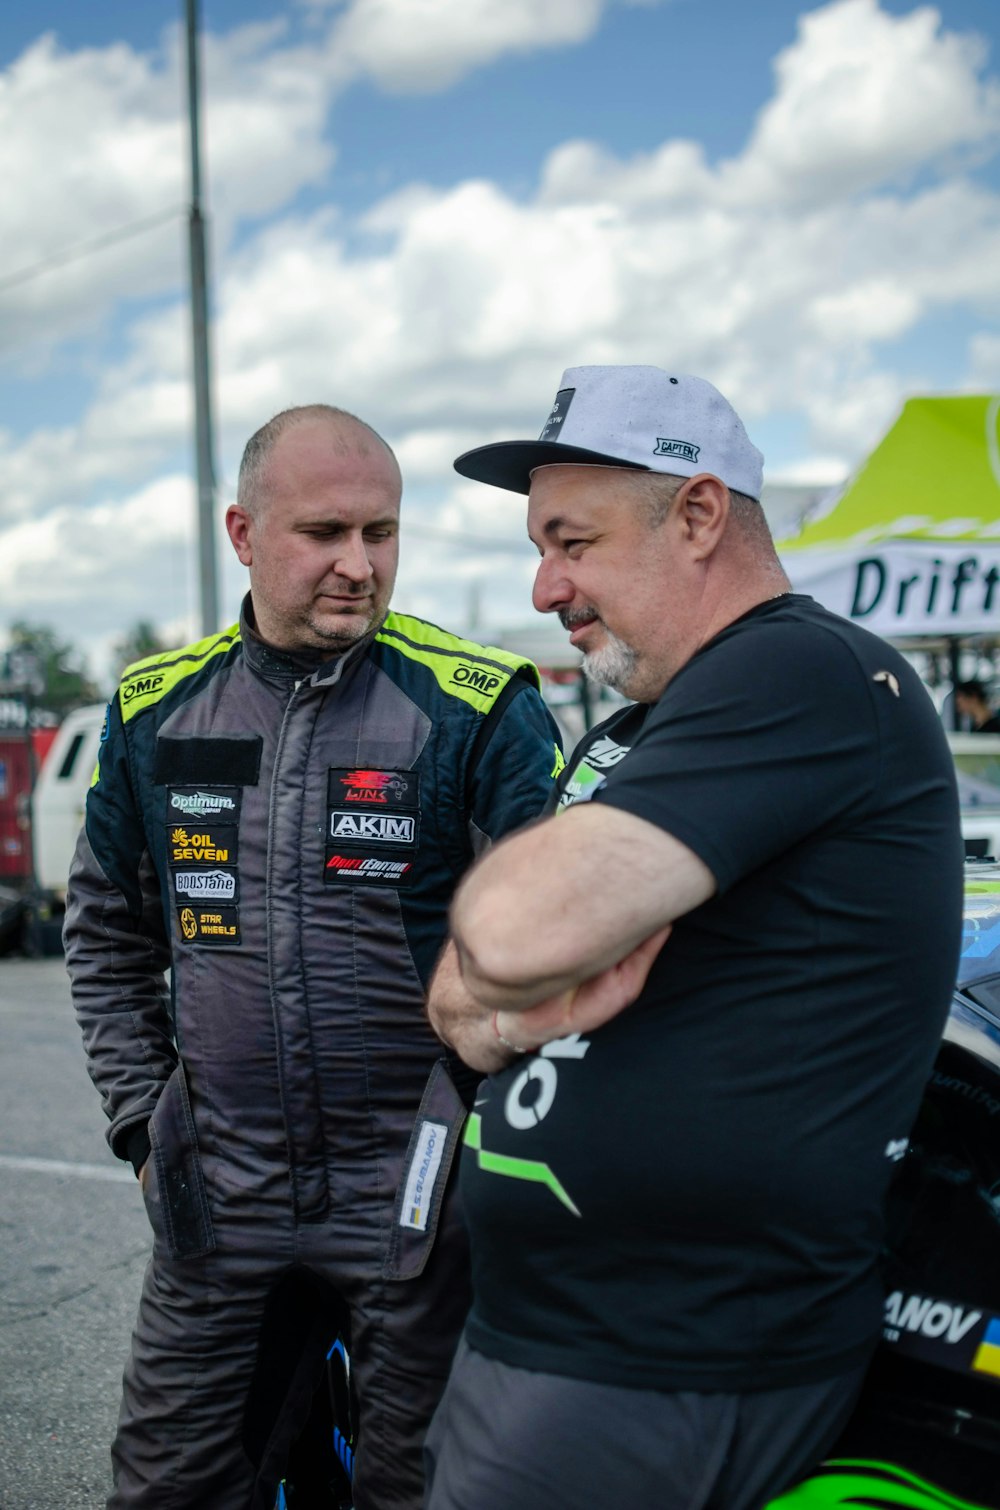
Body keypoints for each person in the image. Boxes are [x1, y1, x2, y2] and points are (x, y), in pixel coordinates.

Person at [424, 365, 964, 1510]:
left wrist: (519, 956)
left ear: (701, 514)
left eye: (572, 540)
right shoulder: (637, 729)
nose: (542, 588)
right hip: (548, 1333)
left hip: (668, 1356)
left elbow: (509, 930)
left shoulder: (805, 670)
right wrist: (515, 967)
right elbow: (460, 1002)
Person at [62, 403, 563, 1510]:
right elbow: (103, 931)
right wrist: (147, 1125)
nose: (358, 564)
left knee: (418, 1491)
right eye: (324, 533)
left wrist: (473, 1143)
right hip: (218, 1196)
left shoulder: (479, 705)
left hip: (415, 1203)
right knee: (166, 1487)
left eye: (380, 533)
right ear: (243, 534)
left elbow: (559, 957)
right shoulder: (154, 712)